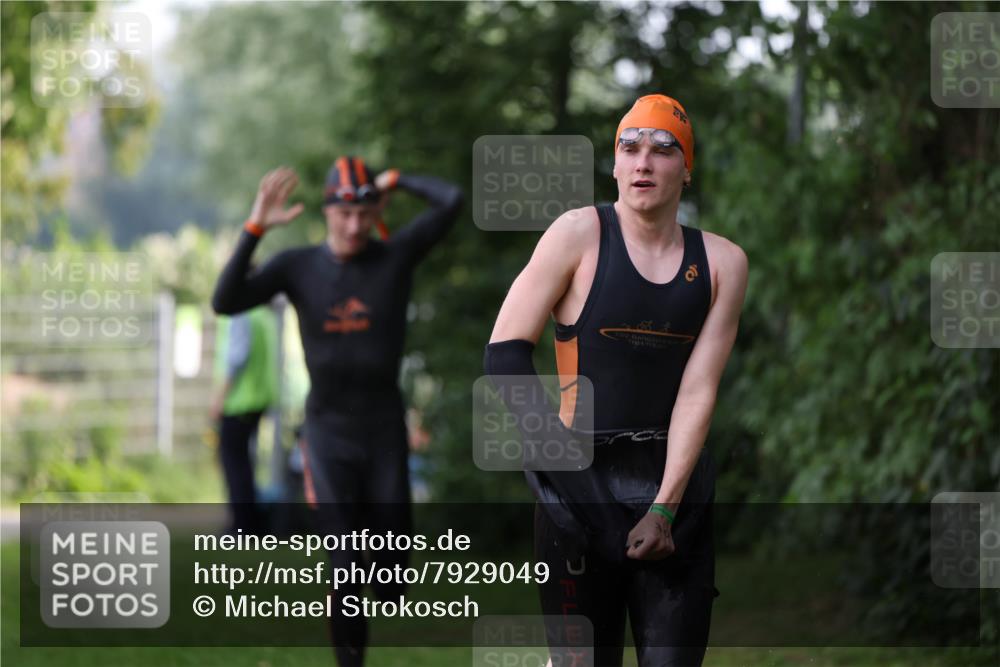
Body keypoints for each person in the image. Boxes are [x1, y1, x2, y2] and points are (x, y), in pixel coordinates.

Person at [484, 94, 748, 667]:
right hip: (576, 493)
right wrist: (593, 508)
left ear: (687, 168)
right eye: (629, 147)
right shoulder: (578, 235)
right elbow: (504, 357)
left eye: (662, 149)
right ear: (614, 163)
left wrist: (665, 508)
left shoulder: (724, 264)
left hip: (674, 494)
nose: (643, 162)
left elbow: (698, 389)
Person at [212, 157, 462, 667]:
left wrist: (395, 180)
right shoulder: (296, 267)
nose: (353, 226)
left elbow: (451, 200)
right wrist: (256, 226)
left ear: (375, 213)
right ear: (326, 210)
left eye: (364, 214)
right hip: (327, 432)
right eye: (343, 214)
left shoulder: (394, 257)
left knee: (390, 577)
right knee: (344, 563)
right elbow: (225, 300)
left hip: (383, 430)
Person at [210, 304, 279, 536]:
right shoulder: (261, 313)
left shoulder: (239, 312)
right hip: (258, 398)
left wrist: (219, 398)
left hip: (239, 401)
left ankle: (243, 525)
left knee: (234, 462)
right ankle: (250, 523)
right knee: (244, 462)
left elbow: (237, 358)